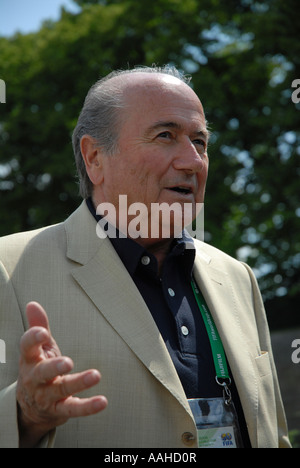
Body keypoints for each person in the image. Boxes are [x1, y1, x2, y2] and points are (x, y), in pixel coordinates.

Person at [0, 66, 291, 448]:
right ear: (95, 158)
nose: (192, 161)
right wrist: (26, 416)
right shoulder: (10, 268)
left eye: (200, 142)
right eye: (165, 135)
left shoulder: (238, 277)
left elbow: (275, 434)